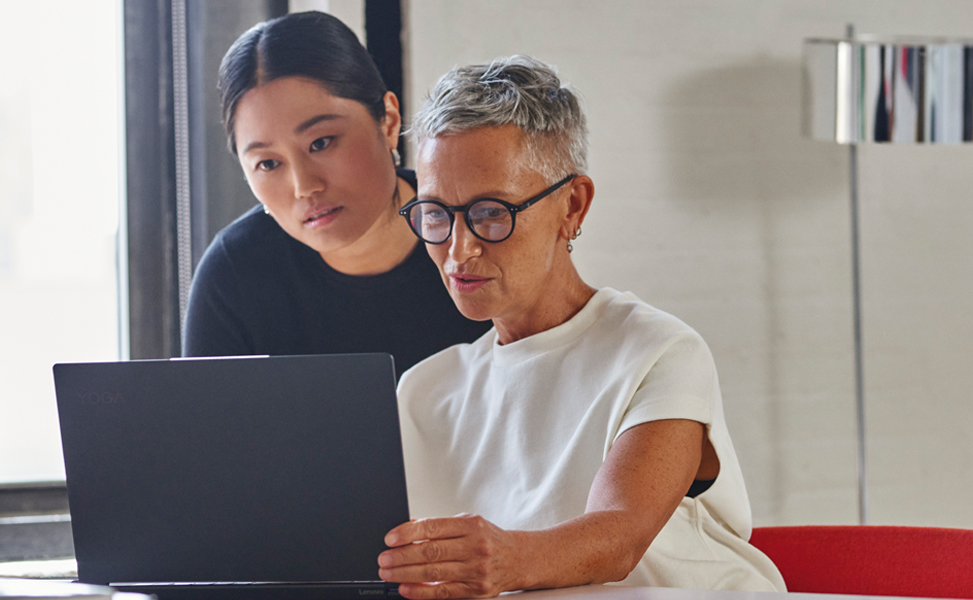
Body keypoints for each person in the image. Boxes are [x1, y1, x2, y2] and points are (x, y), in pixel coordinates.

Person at [381, 56, 785, 599]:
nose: (459, 249)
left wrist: (504, 561)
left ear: (572, 206)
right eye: (435, 214)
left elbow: (619, 537)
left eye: (491, 212)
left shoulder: (658, 352)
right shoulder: (423, 390)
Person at [182, 11, 489, 371]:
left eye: (321, 142)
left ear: (388, 121)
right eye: (268, 164)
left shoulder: (482, 232)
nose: (304, 186)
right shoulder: (234, 276)